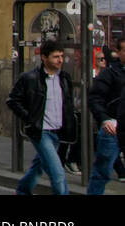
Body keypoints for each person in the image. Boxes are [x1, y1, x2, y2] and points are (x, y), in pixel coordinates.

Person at [7, 38, 76, 196]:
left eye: (61, 56)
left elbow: (67, 103)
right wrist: (30, 118)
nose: (60, 60)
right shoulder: (30, 78)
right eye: (55, 57)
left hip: (57, 131)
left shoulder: (64, 78)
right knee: (57, 174)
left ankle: (23, 190)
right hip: (41, 131)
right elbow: (12, 100)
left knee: (38, 167)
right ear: (44, 58)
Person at [88, 35, 125, 195]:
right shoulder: (110, 73)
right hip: (113, 128)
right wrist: (105, 119)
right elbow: (95, 98)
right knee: (102, 171)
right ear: (118, 52)